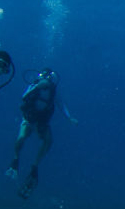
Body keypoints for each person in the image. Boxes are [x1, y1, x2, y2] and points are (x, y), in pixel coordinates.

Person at [6, 68, 78, 198]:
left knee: (48, 141)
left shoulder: (54, 91)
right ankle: (15, 159)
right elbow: (24, 97)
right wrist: (36, 87)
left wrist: (69, 117)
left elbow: (61, 105)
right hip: (29, 119)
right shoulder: (34, 85)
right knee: (22, 137)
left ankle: (35, 166)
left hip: (41, 122)